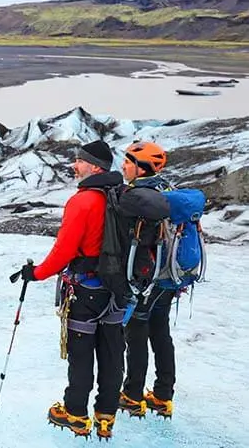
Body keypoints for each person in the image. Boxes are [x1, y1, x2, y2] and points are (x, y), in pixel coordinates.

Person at [18, 140, 125, 440]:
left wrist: (36, 273)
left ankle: (76, 414)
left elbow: (64, 250)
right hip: (116, 289)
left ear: (95, 167)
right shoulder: (119, 196)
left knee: (81, 354)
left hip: (85, 291)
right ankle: (106, 416)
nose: (74, 166)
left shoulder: (82, 201)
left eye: (79, 161)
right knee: (112, 353)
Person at [118, 141, 176, 419]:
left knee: (136, 334)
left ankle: (132, 394)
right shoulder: (167, 191)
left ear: (142, 169)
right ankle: (164, 395)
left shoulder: (136, 197)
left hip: (145, 278)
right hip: (170, 277)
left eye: (129, 162)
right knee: (161, 333)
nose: (124, 166)